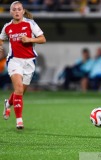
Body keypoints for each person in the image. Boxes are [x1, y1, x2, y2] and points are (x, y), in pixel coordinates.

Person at [0, 1, 46, 129]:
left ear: (23, 11)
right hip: (14, 60)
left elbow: (43, 39)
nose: (16, 11)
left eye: (19, 9)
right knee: (19, 89)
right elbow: (1, 37)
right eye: (14, 9)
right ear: (10, 12)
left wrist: (30, 39)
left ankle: (8, 104)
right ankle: (19, 120)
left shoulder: (30, 24)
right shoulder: (7, 27)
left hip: (29, 62)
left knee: (19, 92)